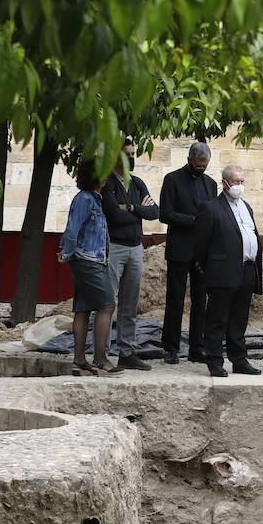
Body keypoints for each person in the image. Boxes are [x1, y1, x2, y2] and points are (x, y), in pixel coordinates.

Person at [193, 164, 263, 379]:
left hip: (247, 270)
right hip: (222, 271)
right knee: (217, 318)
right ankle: (214, 360)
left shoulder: (247, 207)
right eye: (236, 182)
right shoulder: (211, 207)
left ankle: (239, 359)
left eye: (242, 182)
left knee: (239, 318)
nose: (239, 186)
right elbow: (201, 245)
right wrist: (210, 267)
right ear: (225, 183)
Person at [97, 137, 158, 370]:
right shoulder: (108, 183)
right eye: (127, 154)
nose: (132, 158)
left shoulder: (138, 183)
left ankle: (126, 351)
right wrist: (139, 210)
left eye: (133, 154)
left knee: (130, 303)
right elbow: (113, 215)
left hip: (136, 247)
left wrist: (131, 208)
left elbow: (155, 212)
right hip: (115, 246)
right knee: (107, 301)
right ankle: (101, 353)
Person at [60, 159, 121, 378]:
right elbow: (72, 229)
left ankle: (79, 359)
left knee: (84, 308)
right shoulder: (85, 199)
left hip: (91, 259)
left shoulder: (96, 199)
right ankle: (101, 358)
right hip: (87, 260)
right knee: (107, 305)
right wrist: (66, 253)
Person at [158, 142, 218, 364]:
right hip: (180, 248)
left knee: (200, 301)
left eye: (205, 165)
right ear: (190, 160)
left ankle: (196, 347)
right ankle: (171, 347)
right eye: (199, 164)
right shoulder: (172, 180)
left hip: (202, 251)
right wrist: (193, 221)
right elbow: (165, 214)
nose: (202, 169)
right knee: (175, 299)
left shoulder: (211, 184)